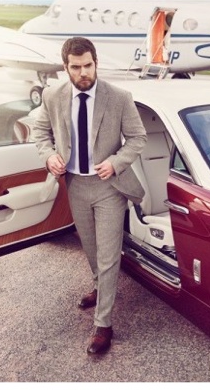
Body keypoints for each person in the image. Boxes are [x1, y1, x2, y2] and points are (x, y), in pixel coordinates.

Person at [31, 36, 147, 355]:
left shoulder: (119, 97)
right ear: (66, 67)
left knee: (109, 255)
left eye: (88, 66)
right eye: (76, 67)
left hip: (110, 187)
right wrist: (48, 154)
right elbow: (40, 133)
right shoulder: (54, 96)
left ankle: (103, 324)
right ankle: (100, 287)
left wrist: (116, 162)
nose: (83, 73)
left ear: (96, 62)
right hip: (75, 184)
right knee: (91, 247)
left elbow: (137, 138)